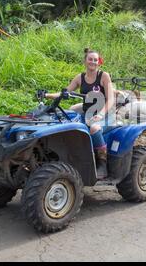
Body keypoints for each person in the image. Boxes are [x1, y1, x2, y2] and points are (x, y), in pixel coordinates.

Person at [45, 48, 115, 179]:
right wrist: (47, 95)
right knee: (69, 127)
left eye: (95, 60)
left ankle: (102, 164)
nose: (93, 62)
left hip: (106, 115)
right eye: (90, 59)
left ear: (98, 62)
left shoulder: (103, 76)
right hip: (87, 114)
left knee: (94, 128)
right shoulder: (80, 78)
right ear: (85, 61)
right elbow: (65, 93)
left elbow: (111, 99)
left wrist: (100, 115)